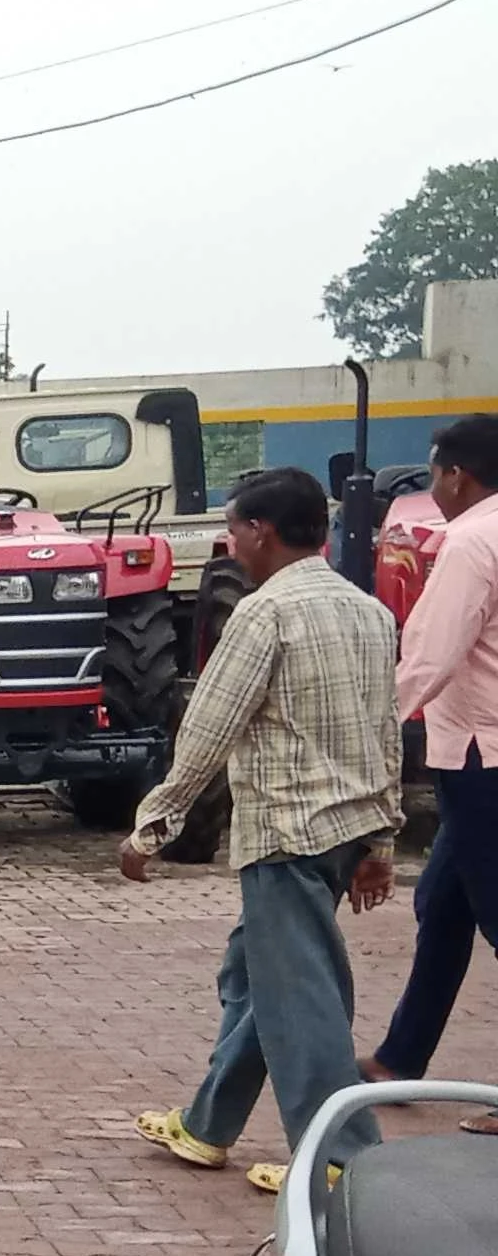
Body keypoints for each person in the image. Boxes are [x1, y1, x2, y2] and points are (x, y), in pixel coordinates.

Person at [128, 466, 401, 1190]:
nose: (230, 541)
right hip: (345, 831)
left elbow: (210, 728)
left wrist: (154, 824)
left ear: (263, 531)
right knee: (258, 977)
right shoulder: (368, 611)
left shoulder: (264, 614)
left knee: (301, 998)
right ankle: (207, 1125)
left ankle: (342, 1161)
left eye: (235, 527)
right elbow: (386, 735)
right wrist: (381, 841)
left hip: (287, 833)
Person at [367, 414, 498, 1080]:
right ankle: (400, 1057)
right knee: (442, 904)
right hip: (479, 747)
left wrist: (372, 719)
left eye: (435, 469)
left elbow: (431, 652)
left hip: (480, 752)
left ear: (457, 474)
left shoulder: (471, 542)